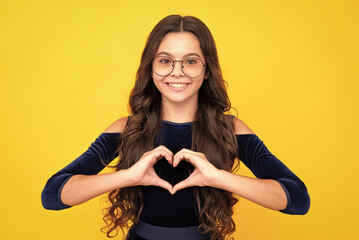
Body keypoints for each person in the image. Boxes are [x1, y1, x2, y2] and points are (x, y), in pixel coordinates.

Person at [41, 15, 310, 240]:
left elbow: (298, 200)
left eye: (191, 61)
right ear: (151, 68)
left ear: (206, 70)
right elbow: (53, 195)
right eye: (165, 60)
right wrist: (128, 176)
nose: (177, 71)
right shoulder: (126, 129)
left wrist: (217, 177)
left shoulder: (231, 129)